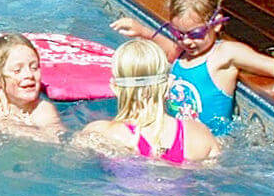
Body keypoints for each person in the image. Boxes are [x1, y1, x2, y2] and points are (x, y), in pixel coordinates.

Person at [110, 0, 274, 133]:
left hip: (208, 149)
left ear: (217, 23)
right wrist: (142, 31)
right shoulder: (182, 52)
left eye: (195, 34)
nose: (186, 42)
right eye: (178, 34)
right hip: (179, 141)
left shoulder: (224, 54)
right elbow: (170, 49)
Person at [78, 39, 219, 165]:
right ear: (169, 84)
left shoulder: (101, 133)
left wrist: (54, 124)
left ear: (115, 87)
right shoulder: (200, 135)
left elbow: (70, 162)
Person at [0, 33, 63, 137]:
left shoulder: (41, 109)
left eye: (34, 67)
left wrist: (15, 128)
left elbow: (56, 139)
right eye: (17, 70)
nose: (29, 75)